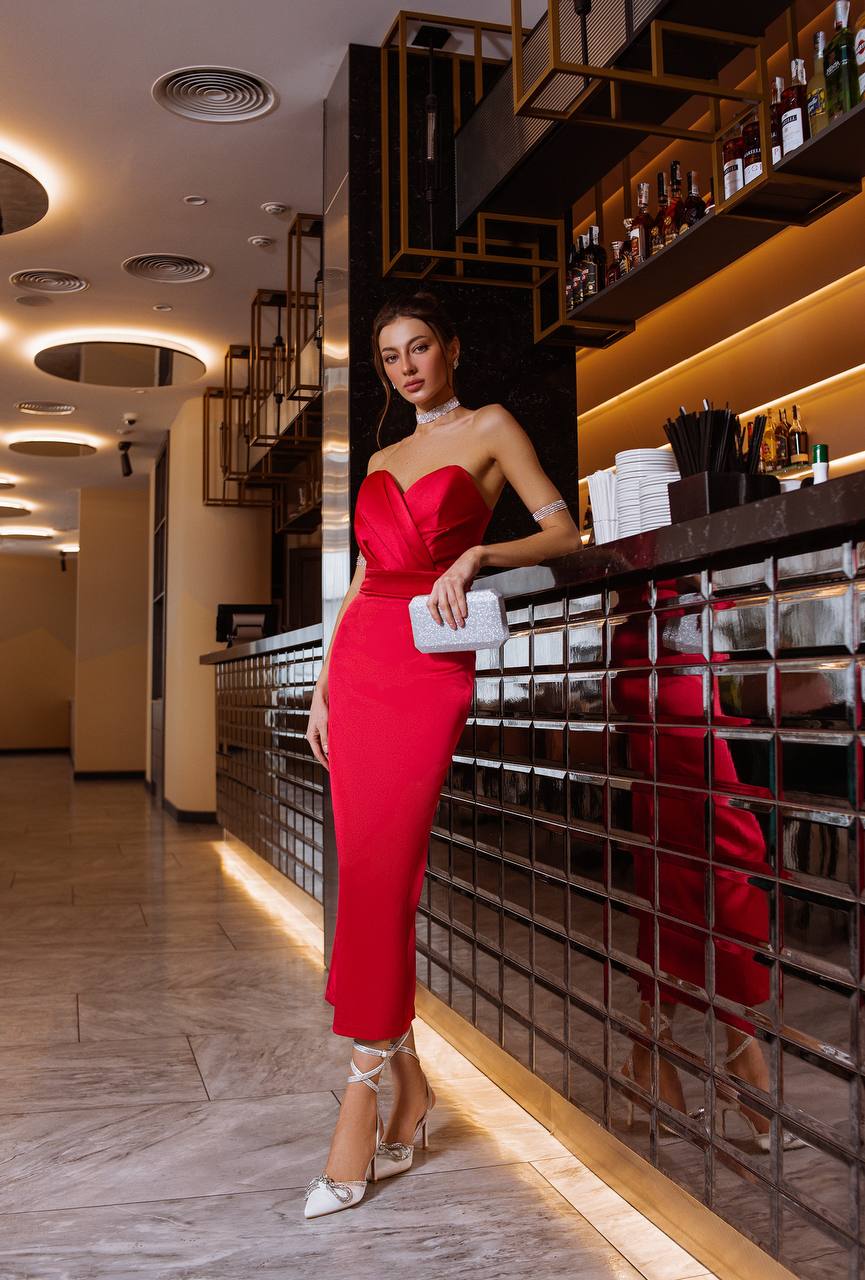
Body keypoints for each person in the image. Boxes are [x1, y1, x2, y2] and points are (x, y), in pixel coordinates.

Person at [302, 290, 581, 1218]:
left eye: (419, 347)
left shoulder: (494, 426)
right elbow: (358, 585)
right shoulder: (379, 456)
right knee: (369, 869)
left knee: (386, 869)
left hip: (431, 663)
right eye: (390, 356)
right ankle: (408, 1088)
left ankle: (362, 1085)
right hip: (366, 656)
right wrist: (322, 684)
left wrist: (479, 558)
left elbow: (564, 529)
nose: (407, 366)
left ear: (450, 348)